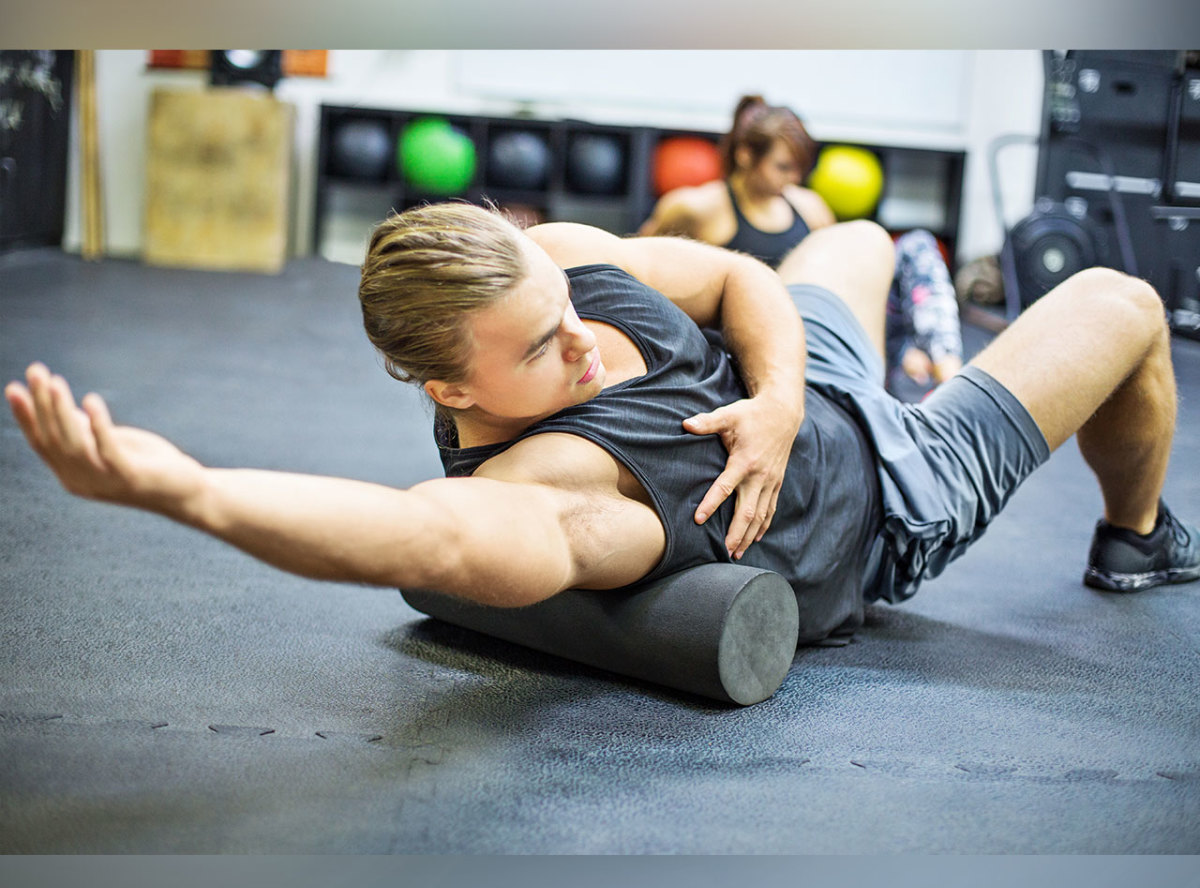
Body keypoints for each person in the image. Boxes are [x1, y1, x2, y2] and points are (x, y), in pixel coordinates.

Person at [5, 202, 1198, 649]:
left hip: (804, 391)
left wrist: (777, 398)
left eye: (561, 307)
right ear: (451, 391)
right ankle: (1135, 536)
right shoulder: (560, 486)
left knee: (857, 240)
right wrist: (185, 491)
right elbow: (419, 540)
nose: (579, 337)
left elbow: (737, 280)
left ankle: (828, 372)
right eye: (538, 349)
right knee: (1124, 305)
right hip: (890, 490)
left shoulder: (565, 263)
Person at [640, 94, 964, 391]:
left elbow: (846, 283)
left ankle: (940, 370)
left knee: (918, 245)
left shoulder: (809, 207)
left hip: (816, 335)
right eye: (783, 167)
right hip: (748, 346)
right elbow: (642, 267)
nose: (793, 178)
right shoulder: (699, 208)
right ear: (744, 155)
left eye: (798, 168)